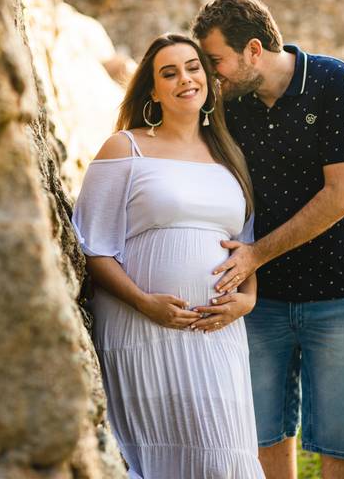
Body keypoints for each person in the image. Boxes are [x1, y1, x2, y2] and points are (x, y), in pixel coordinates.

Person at [192, 0, 344, 479]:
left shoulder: (333, 82)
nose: (212, 75)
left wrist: (256, 254)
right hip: (262, 306)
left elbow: (342, 195)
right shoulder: (230, 104)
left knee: (343, 448)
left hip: (339, 297)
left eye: (216, 61)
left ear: (253, 50)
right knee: (263, 442)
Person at [72, 33, 265, 478]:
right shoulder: (125, 148)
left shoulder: (229, 155)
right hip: (141, 329)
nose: (185, 79)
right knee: (156, 455)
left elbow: (245, 245)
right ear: (153, 91)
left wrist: (248, 299)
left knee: (224, 456)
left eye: (194, 68)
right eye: (170, 73)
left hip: (217, 331)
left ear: (208, 81)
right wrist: (144, 302)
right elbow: (92, 247)